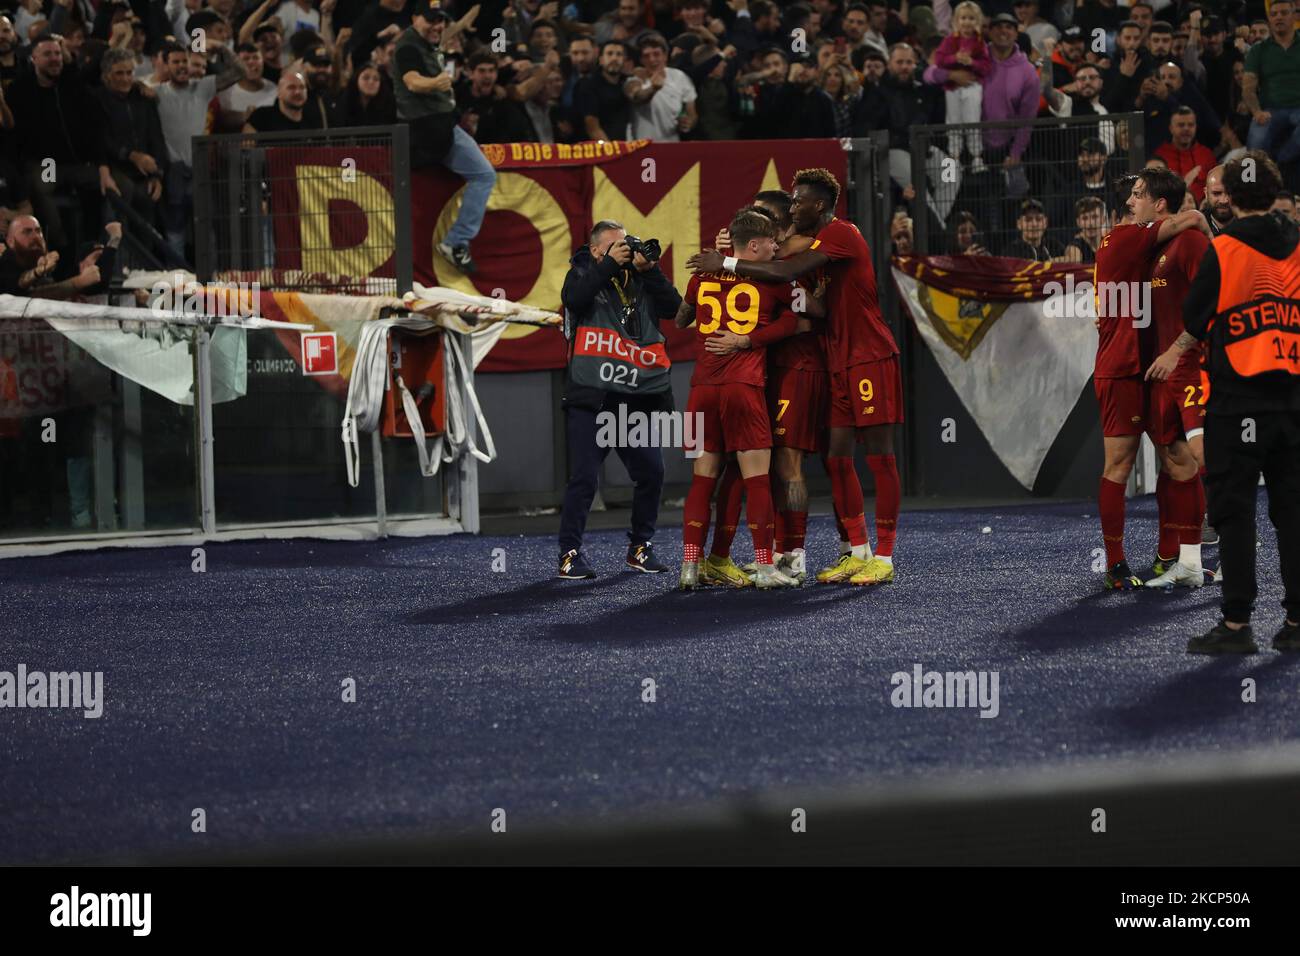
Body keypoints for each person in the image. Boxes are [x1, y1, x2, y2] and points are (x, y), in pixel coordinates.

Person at [688, 168, 903, 587]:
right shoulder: (810, 245)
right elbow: (802, 285)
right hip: (836, 358)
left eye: (796, 199)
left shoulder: (840, 234)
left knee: (878, 457)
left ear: (817, 205)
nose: (791, 206)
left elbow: (786, 270)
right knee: (838, 458)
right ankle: (855, 551)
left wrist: (729, 259)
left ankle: (880, 555)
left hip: (867, 356)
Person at [1176, 152, 1300, 654]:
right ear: (1272, 193)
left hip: (1238, 404)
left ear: (1232, 198)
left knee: (1234, 512)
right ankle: (1295, 622)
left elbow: (1194, 317)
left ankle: (1236, 625)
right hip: (1293, 401)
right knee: (1293, 513)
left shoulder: (1223, 250)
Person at [675, 207, 820, 590]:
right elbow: (797, 318)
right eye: (771, 241)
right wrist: (749, 339)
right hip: (744, 387)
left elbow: (680, 318)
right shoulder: (769, 279)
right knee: (757, 480)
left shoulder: (703, 273)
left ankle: (691, 565)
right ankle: (764, 566)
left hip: (701, 388)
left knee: (701, 482)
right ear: (753, 246)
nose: (776, 247)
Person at [1092, 169, 1211, 589]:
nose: (1130, 201)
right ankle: (1116, 565)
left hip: (1151, 369)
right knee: (1120, 464)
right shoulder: (1124, 237)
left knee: (1176, 460)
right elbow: (1190, 220)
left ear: (1157, 203)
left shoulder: (1152, 246)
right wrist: (1203, 212)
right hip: (1120, 370)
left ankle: (1174, 556)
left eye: (1139, 194)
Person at [557, 220, 682, 579]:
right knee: (584, 478)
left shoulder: (639, 278)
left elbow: (674, 309)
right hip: (592, 396)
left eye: (626, 244)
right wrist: (609, 265)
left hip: (634, 397)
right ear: (597, 249)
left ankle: (640, 547)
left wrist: (652, 271)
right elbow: (575, 299)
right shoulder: (581, 271)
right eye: (616, 246)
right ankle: (569, 554)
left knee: (652, 473)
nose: (625, 250)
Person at [393, 2, 493, 275]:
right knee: (484, 175)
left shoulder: (427, 41)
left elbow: (453, 29)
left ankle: (455, 241)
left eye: (440, 21)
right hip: (429, 127)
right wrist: (437, 82)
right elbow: (412, 81)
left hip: (439, 123)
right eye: (431, 20)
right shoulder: (408, 47)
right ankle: (456, 242)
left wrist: (472, 12)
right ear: (414, 18)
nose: (438, 26)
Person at [1243, 0, 1300, 166]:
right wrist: (1256, 111)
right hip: (1270, 110)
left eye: (1284, 13)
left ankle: (1278, 164)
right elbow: (1248, 89)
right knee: (1254, 144)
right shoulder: (1258, 50)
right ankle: (1248, 184)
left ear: (1294, 16)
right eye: (1274, 14)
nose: (1278, 18)